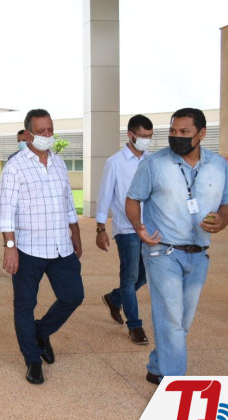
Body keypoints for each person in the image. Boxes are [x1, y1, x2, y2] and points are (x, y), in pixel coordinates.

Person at [126, 108, 228, 384]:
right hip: (162, 251)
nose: (177, 137)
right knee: (172, 320)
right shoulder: (154, 164)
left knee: (181, 321)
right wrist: (139, 227)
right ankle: (175, 384)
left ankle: (157, 366)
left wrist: (222, 220)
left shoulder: (218, 165)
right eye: (173, 131)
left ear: (202, 134)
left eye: (185, 132)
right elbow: (132, 198)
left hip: (199, 254)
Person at [0, 109, 84, 385]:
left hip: (60, 247)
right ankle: (32, 360)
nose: (47, 135)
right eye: (41, 131)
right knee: (25, 305)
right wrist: (10, 246)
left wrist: (75, 233)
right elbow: (6, 210)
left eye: (50, 130)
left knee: (73, 296)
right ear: (28, 134)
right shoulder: (15, 167)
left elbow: (68, 203)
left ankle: (41, 331)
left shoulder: (58, 164)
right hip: (28, 248)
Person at [96, 114, 153, 345]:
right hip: (126, 228)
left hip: (149, 228)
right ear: (130, 135)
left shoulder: (152, 160)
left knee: (146, 274)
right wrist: (100, 228)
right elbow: (104, 195)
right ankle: (135, 326)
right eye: (142, 136)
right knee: (129, 277)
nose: (146, 140)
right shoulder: (115, 162)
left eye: (149, 136)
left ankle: (114, 297)